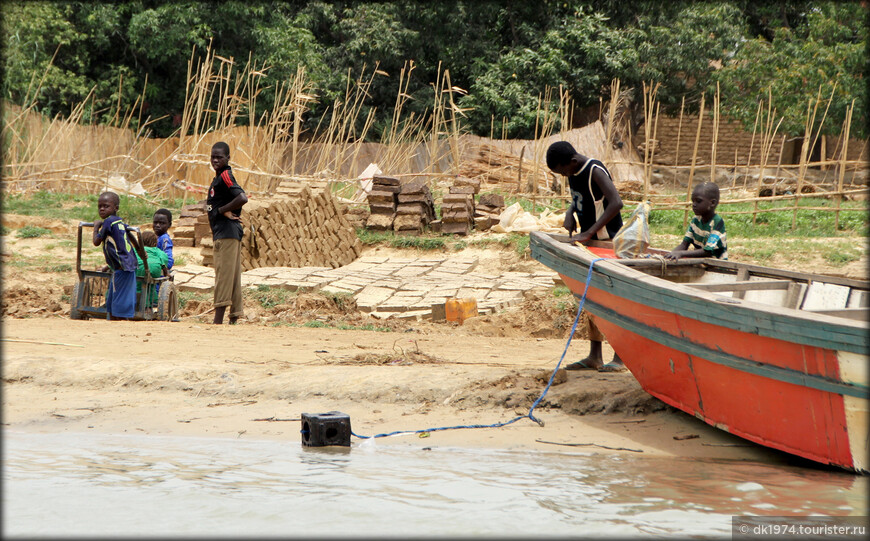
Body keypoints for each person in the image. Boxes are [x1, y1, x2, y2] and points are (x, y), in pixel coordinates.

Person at [545, 141, 626, 372]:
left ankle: (620, 358)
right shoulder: (573, 172)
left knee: (614, 300)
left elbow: (616, 203)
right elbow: (579, 198)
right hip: (589, 243)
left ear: (572, 162)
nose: (563, 176)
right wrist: (570, 212)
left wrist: (590, 231)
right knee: (590, 296)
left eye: (562, 171)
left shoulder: (595, 171)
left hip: (607, 242)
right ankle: (595, 355)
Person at [207, 141, 248, 324]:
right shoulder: (218, 178)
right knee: (231, 276)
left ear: (228, 158)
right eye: (213, 157)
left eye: (219, 157)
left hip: (226, 233)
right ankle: (233, 319)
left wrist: (223, 209)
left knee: (223, 275)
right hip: (226, 233)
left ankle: (217, 321)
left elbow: (242, 197)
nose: (215, 160)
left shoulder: (225, 175)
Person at [93, 191, 138, 321]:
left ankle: (120, 324)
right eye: (100, 206)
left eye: (106, 206)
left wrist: (96, 227)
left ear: (116, 208)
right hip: (124, 265)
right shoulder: (119, 223)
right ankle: (114, 320)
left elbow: (96, 242)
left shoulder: (108, 222)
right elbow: (131, 236)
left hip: (122, 266)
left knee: (120, 301)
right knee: (114, 299)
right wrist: (140, 251)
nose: (102, 209)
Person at [666, 181, 727, 260]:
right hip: (700, 263)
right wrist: (671, 254)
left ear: (712, 203)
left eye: (698, 201)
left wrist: (680, 253)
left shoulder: (717, 222)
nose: (694, 205)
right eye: (693, 201)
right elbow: (684, 245)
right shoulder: (696, 220)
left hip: (717, 265)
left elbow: (707, 252)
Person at [135, 230, 169, 306]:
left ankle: (140, 303)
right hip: (154, 269)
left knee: (139, 285)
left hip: (139, 269)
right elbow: (164, 259)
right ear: (155, 243)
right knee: (152, 285)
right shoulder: (157, 250)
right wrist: (166, 273)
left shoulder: (137, 250)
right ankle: (153, 302)